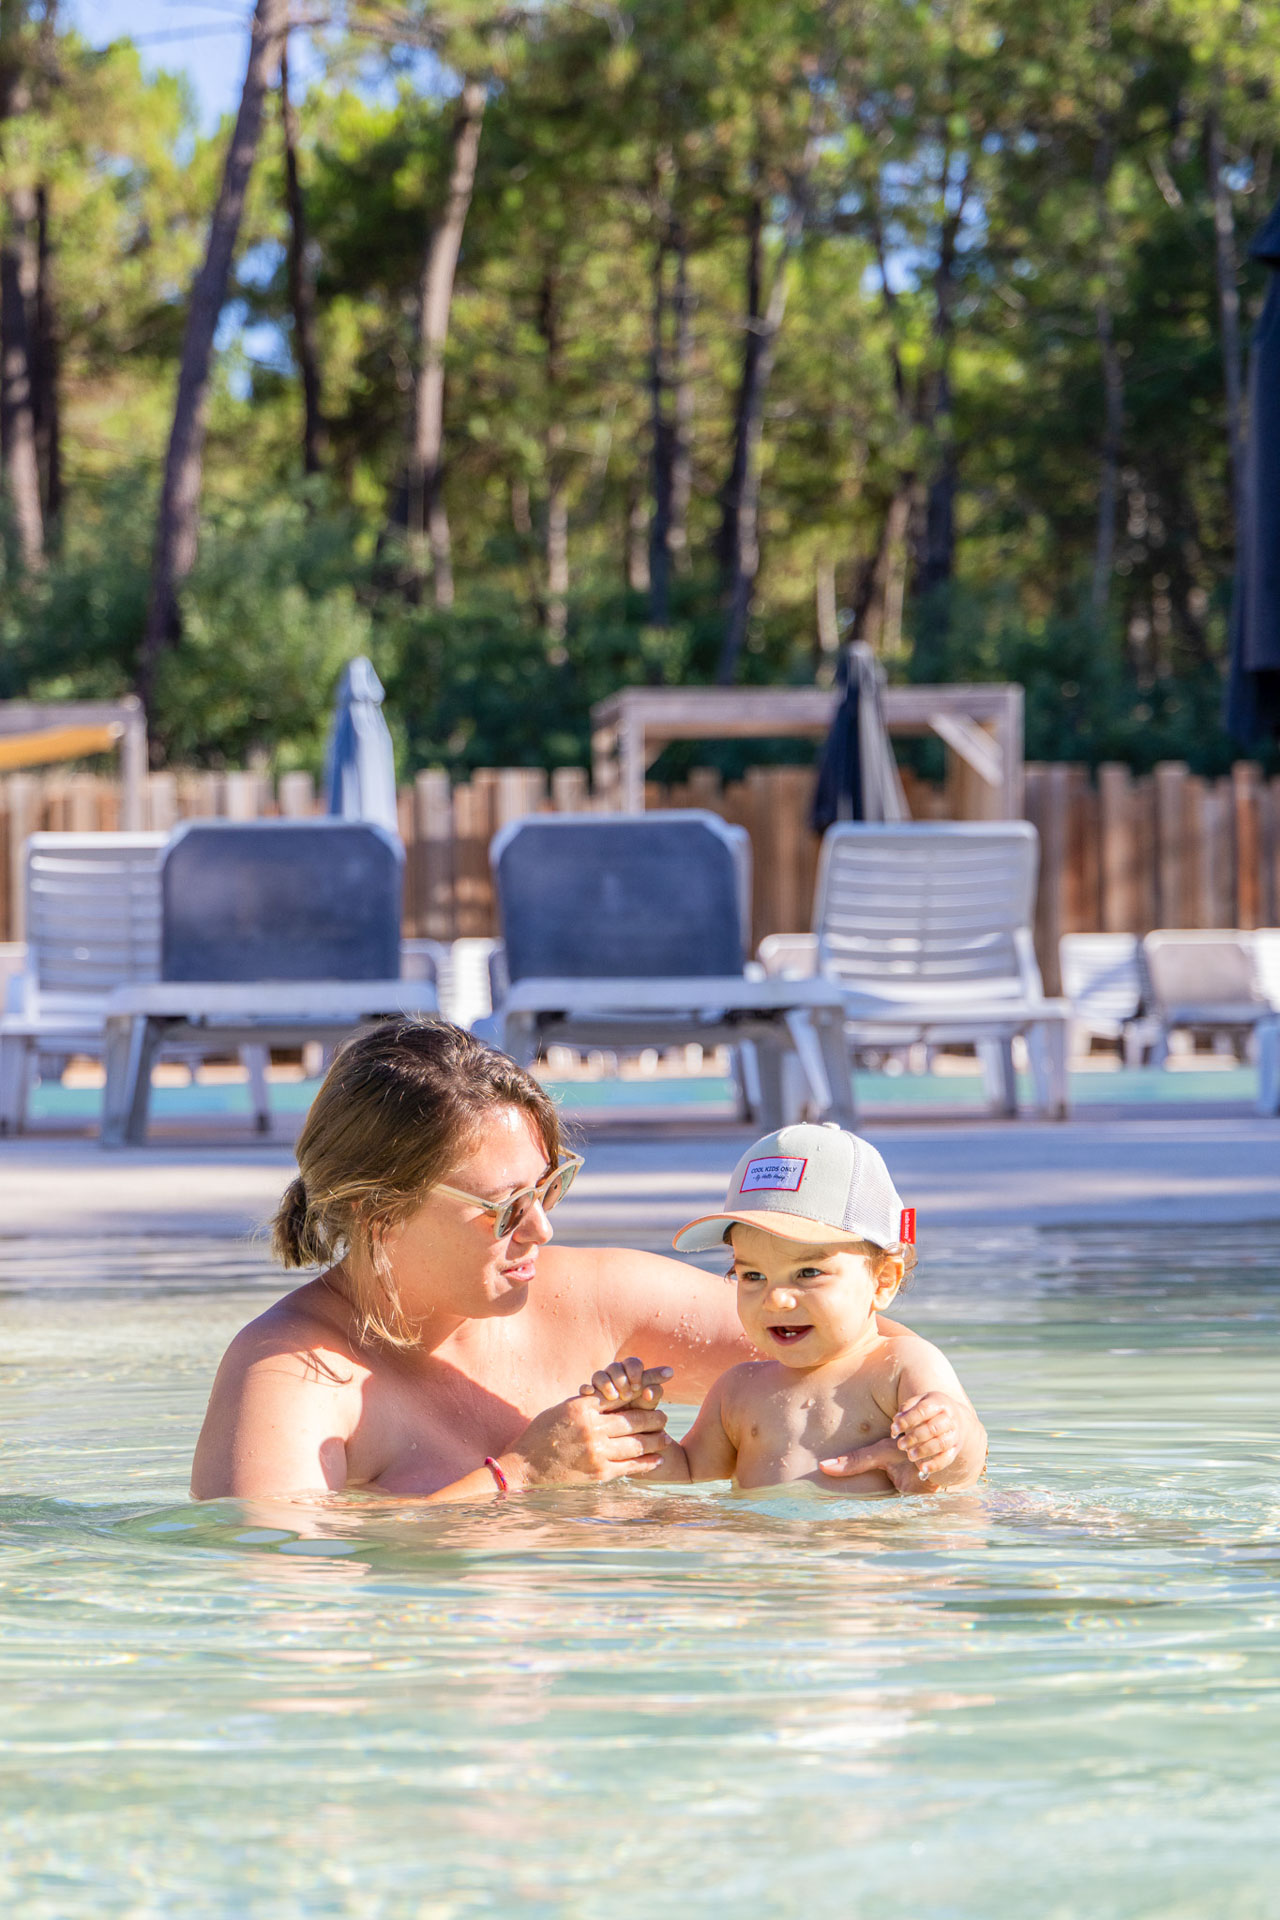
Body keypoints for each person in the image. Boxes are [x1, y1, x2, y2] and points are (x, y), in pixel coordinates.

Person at [192, 1018, 760, 1503]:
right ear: (378, 1212)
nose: (541, 1227)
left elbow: (830, 1336)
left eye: (547, 1188)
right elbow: (274, 1576)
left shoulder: (591, 1302)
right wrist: (521, 1476)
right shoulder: (290, 1375)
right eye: (507, 1206)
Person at [584, 1124, 987, 1496]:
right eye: (753, 1276)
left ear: (883, 1281)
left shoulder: (901, 1366)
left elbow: (964, 1466)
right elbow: (690, 1471)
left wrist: (948, 1436)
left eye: (808, 1272)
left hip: (865, 1563)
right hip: (764, 1565)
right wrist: (633, 1431)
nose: (775, 1299)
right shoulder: (737, 1390)